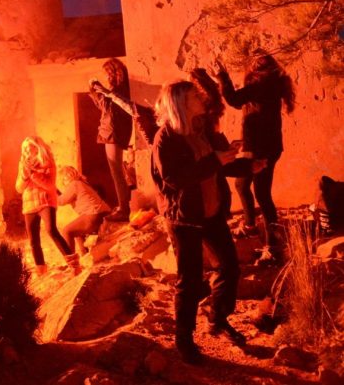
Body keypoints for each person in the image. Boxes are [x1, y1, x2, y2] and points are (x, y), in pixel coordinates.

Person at [152, 80, 249, 364]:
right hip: (184, 218)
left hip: (212, 213)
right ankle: (184, 340)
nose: (201, 98)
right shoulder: (165, 139)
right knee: (189, 280)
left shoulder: (202, 128)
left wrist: (247, 164)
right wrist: (216, 160)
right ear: (180, 102)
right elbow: (174, 179)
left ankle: (217, 319)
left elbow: (222, 164)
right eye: (194, 95)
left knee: (229, 268)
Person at [215, 52, 295, 263]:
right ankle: (250, 225)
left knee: (262, 194)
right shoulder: (269, 83)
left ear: (256, 69)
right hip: (260, 146)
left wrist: (222, 75)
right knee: (242, 185)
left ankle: (273, 247)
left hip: (263, 149)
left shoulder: (262, 85)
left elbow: (233, 99)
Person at [16, 136, 81, 275]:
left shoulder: (47, 162)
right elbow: (19, 188)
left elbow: (49, 185)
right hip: (29, 205)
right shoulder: (22, 165)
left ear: (37, 147)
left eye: (30, 147)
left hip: (46, 201)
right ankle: (41, 271)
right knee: (33, 239)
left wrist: (32, 175)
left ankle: (75, 266)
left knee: (51, 230)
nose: (27, 150)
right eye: (25, 148)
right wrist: (24, 176)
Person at [89, 58, 134, 221]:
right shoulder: (119, 89)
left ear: (114, 73)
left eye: (107, 73)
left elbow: (108, 109)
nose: (106, 77)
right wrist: (95, 92)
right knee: (118, 171)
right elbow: (104, 107)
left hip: (112, 133)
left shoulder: (119, 90)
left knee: (117, 172)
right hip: (112, 132)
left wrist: (99, 91)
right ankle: (124, 205)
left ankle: (124, 208)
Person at [57, 165, 111, 256]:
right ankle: (85, 256)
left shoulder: (74, 184)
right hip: (102, 213)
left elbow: (61, 201)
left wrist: (51, 190)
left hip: (93, 214)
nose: (63, 183)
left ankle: (72, 261)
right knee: (77, 231)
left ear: (66, 177)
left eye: (63, 180)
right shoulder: (82, 183)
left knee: (67, 231)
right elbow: (63, 197)